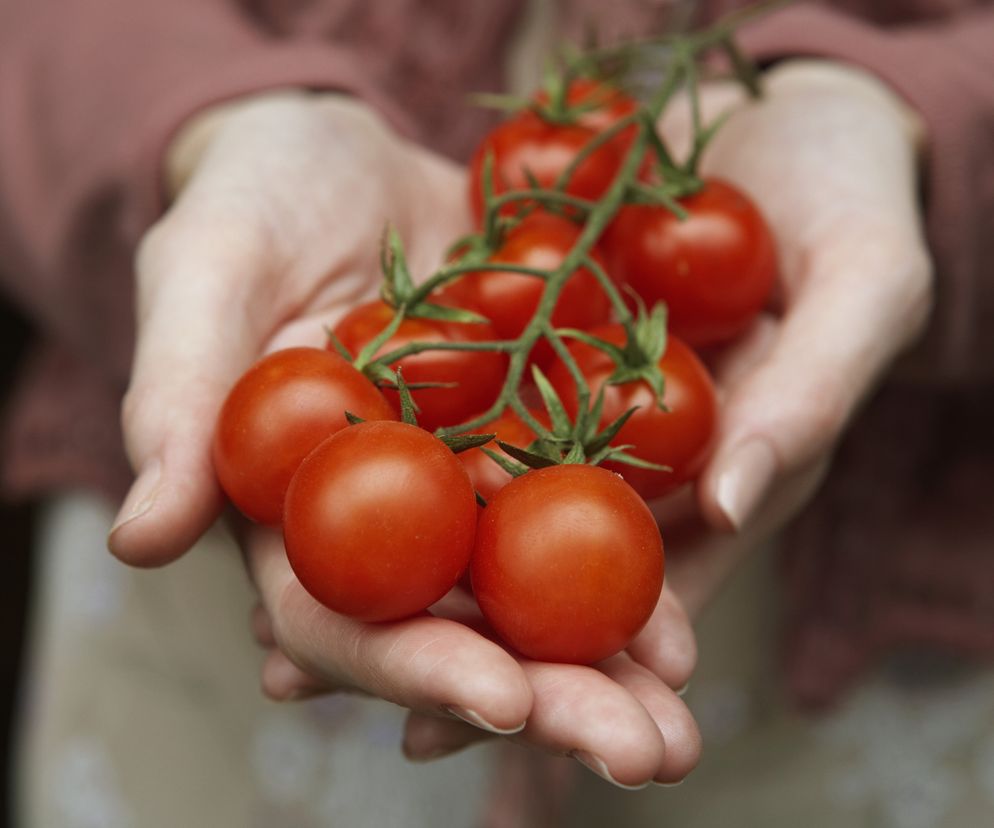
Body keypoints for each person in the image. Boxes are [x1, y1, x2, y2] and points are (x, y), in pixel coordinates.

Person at [0, 0, 992, 825]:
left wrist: (922, 119)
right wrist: (206, 121)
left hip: (874, 674)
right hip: (196, 674)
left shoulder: (511, 384)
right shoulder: (472, 390)